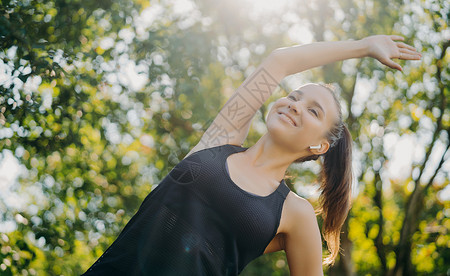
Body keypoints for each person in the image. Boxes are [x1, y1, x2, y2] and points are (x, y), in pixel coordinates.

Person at [82, 35, 421, 275]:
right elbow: (279, 61)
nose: (295, 105)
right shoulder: (218, 141)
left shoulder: (294, 213)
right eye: (295, 96)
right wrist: (363, 46)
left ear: (319, 147)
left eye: (314, 111)